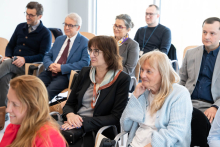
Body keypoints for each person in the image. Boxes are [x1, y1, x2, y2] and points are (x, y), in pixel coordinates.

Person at [61, 36, 130, 147]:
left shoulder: (122, 79)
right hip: (73, 123)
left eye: (96, 51)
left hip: (98, 130)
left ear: (108, 53)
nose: (91, 55)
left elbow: (115, 117)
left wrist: (82, 123)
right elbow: (70, 103)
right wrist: (70, 115)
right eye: (91, 50)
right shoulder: (85, 72)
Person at [120, 50, 192, 147]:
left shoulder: (179, 94)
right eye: (142, 70)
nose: (142, 75)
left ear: (162, 73)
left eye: (148, 71)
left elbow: (176, 132)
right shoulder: (143, 92)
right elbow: (125, 126)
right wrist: (135, 96)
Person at [0, 1, 51, 121]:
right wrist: (8, 56)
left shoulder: (46, 33)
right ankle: (3, 113)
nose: (28, 17)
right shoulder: (20, 27)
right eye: (26, 14)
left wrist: (25, 59)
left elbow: (43, 56)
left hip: (29, 66)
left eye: (31, 15)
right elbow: (10, 45)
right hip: (13, 63)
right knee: (4, 78)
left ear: (39, 16)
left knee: (6, 64)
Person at [0, 75, 66, 147]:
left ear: (33, 107)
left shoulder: (48, 139)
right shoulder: (13, 126)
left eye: (15, 104)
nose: (8, 109)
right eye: (8, 101)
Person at [38, 13, 90, 101]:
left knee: (47, 93)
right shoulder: (59, 39)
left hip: (65, 75)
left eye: (70, 25)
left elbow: (84, 63)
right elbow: (47, 55)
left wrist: (62, 68)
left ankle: (39, 113)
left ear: (78, 27)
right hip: (49, 71)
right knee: (32, 88)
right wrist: (50, 65)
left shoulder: (84, 42)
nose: (66, 28)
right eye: (65, 24)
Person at [179, 17, 220, 123]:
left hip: (211, 106)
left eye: (212, 33)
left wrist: (216, 107)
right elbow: (182, 81)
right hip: (187, 102)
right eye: (204, 32)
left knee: (200, 128)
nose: (207, 36)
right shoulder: (190, 53)